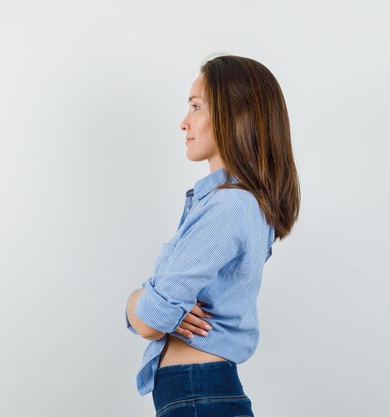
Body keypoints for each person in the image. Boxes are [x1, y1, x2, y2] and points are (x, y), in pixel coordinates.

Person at [125, 54, 300, 416]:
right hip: (199, 393)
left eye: (195, 107)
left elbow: (146, 321)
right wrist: (146, 303)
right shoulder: (230, 204)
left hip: (198, 393)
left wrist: (140, 301)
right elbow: (151, 314)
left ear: (234, 115)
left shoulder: (229, 207)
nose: (184, 123)